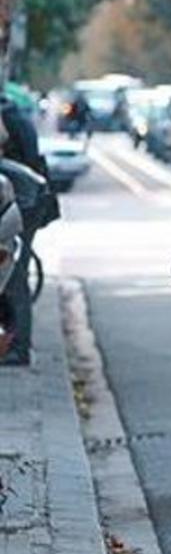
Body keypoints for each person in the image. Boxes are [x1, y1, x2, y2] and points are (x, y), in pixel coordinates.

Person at [0, 97, 52, 366]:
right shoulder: (13, 113)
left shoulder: (8, 117)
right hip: (22, 198)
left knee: (15, 276)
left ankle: (19, 348)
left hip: (24, 201)